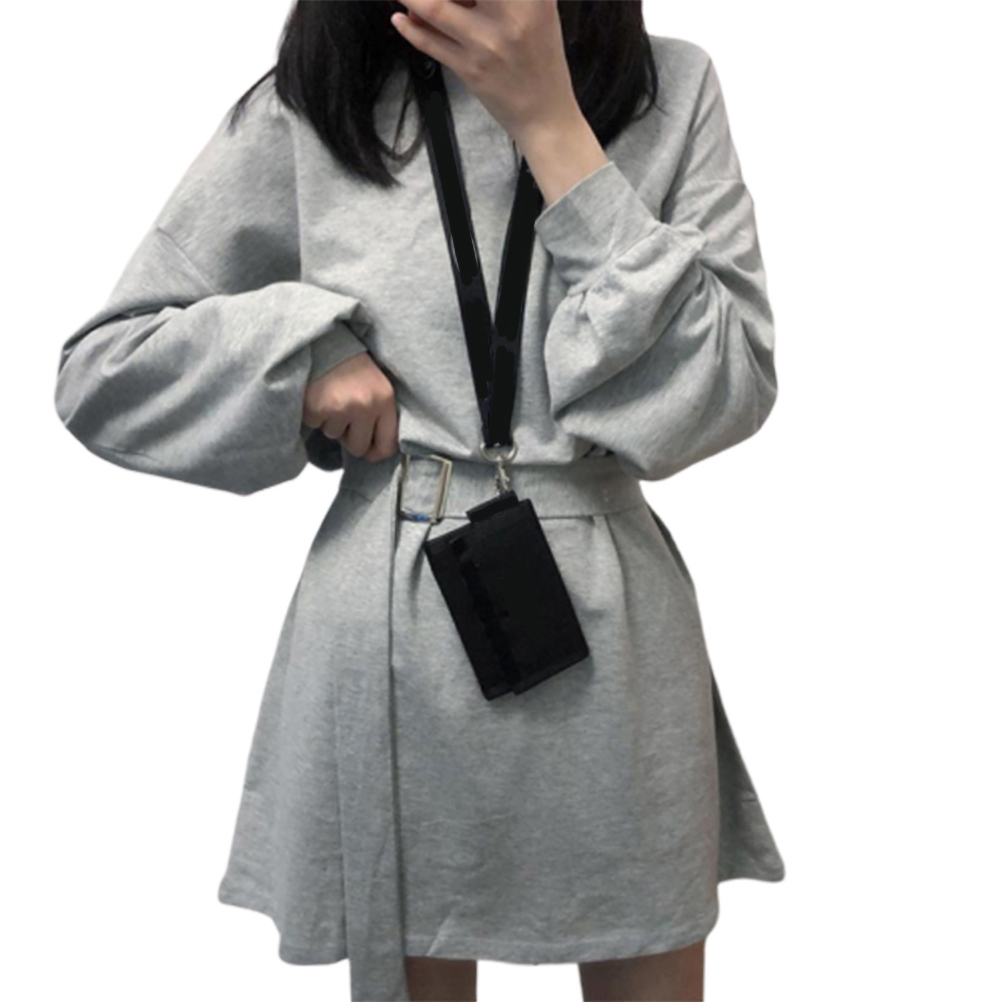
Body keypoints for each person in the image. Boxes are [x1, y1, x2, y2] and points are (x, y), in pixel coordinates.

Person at [52, 2, 785, 1000]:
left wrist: (552, 126)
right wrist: (303, 350)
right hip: (391, 618)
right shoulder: (319, 104)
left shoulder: (673, 88)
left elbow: (723, 390)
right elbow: (106, 368)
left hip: (613, 631)